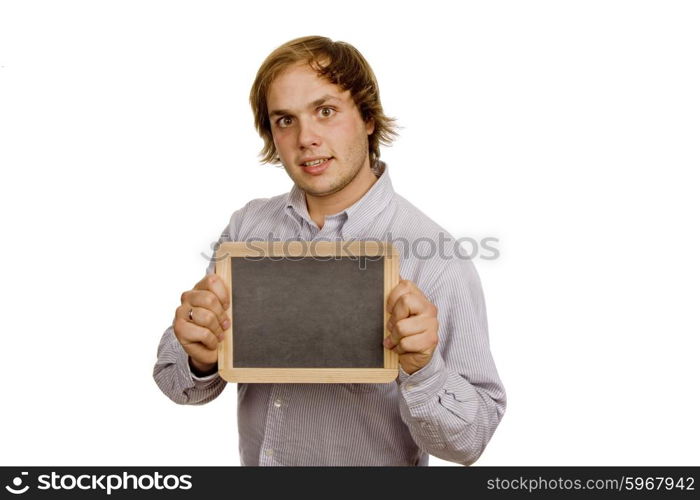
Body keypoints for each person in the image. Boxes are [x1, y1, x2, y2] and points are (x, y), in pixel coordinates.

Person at [153, 35, 506, 466]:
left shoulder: (435, 256)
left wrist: (424, 369)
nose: (306, 138)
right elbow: (180, 386)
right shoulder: (247, 228)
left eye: (326, 111)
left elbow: (471, 441)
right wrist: (200, 356)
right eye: (285, 120)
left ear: (368, 117)